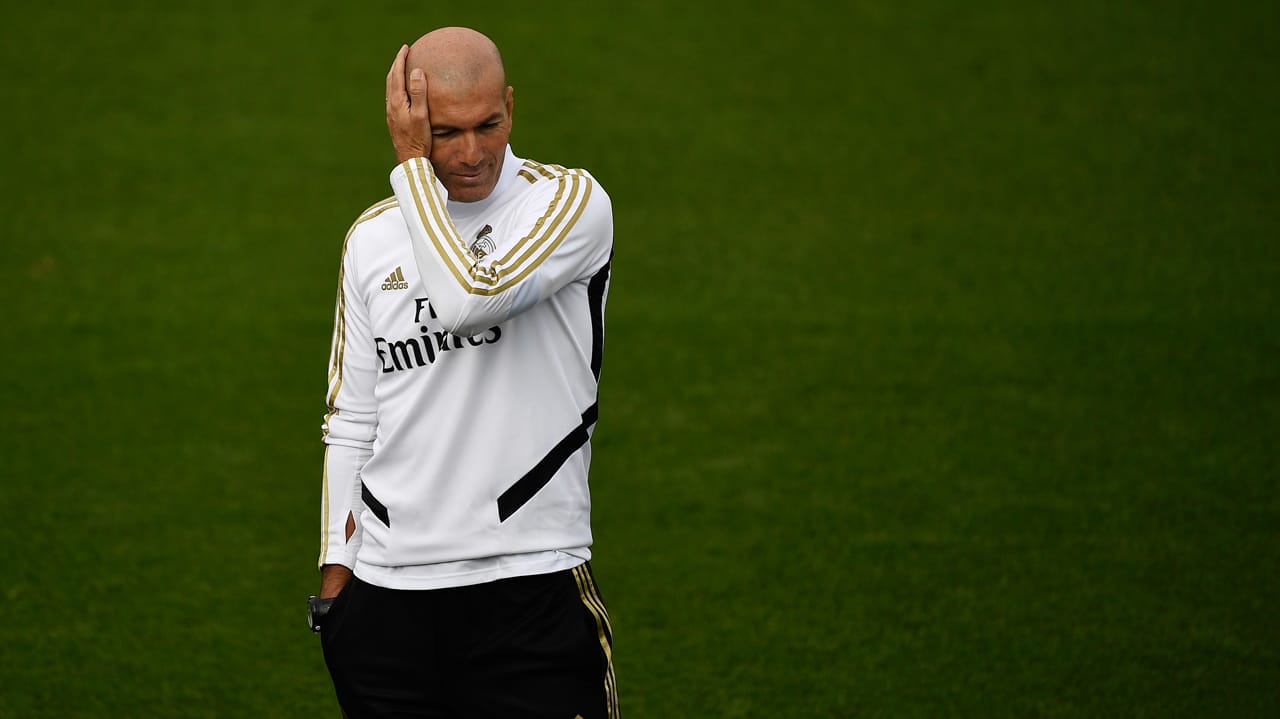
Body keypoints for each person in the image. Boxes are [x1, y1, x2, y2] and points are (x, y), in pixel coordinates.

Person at [311, 26, 617, 718]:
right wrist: (337, 582)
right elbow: (352, 417)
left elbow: (466, 298)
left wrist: (415, 169)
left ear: (511, 105)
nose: (473, 153)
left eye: (490, 124)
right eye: (445, 133)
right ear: (412, 123)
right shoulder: (371, 239)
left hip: (528, 585)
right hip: (385, 604)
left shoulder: (568, 204)